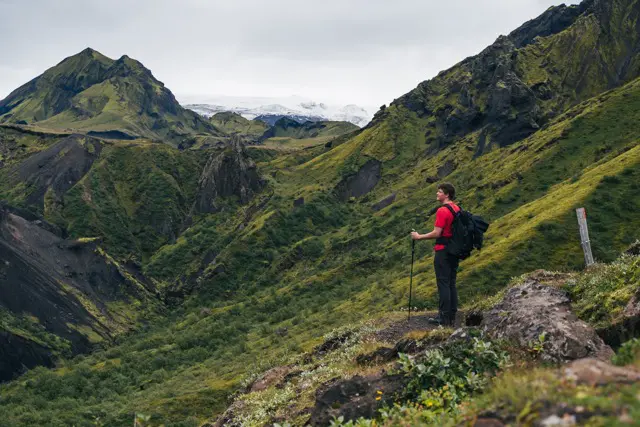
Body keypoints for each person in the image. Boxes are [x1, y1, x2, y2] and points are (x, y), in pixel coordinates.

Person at [410, 183, 460, 326]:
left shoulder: (442, 211)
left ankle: (443, 317)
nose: (437, 194)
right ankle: (451, 315)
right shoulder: (457, 208)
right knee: (451, 282)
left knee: (443, 283)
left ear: (447, 194)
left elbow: (437, 233)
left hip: (443, 250)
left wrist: (419, 237)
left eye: (439, 192)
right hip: (454, 250)